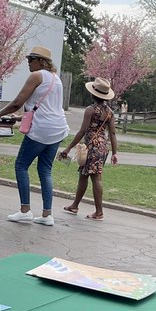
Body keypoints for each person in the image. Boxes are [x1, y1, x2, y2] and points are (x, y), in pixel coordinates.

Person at [0, 45, 68, 226]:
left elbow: (17, 102)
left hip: (41, 129)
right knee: (45, 170)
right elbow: (46, 107)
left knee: (21, 165)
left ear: (41, 61)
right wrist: (20, 117)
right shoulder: (56, 79)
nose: (28, 63)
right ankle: (47, 215)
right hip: (57, 129)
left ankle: (25, 210)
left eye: (30, 59)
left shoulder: (36, 76)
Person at [60, 77, 120, 220]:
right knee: (84, 175)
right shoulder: (110, 112)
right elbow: (112, 133)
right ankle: (75, 205)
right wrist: (115, 152)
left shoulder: (90, 110)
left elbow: (82, 131)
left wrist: (68, 148)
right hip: (103, 147)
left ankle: (99, 212)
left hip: (91, 147)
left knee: (95, 178)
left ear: (93, 94)